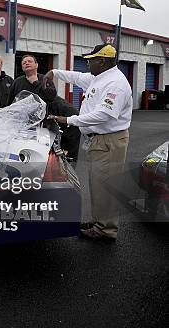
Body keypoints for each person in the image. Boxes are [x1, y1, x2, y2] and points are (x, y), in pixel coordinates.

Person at [43, 44, 132, 240]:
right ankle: (100, 221)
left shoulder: (115, 84)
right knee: (98, 184)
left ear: (102, 61)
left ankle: (106, 229)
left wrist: (68, 120)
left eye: (91, 59)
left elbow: (104, 115)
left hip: (108, 141)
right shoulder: (99, 78)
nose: (88, 62)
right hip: (99, 141)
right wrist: (54, 72)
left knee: (105, 186)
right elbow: (76, 77)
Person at [46, 95, 81, 162]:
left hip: (71, 129)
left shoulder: (55, 103)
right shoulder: (48, 101)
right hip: (64, 127)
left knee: (67, 158)